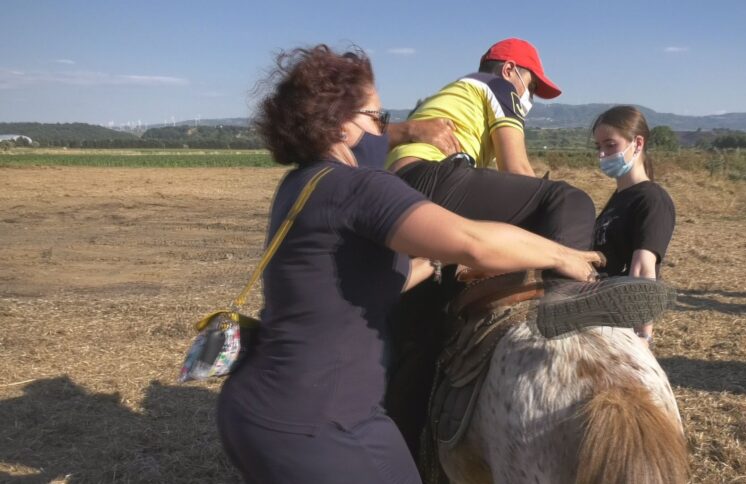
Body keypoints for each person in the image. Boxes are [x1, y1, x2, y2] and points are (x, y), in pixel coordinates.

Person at [216, 45, 611, 484]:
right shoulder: (359, 187)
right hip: (318, 422)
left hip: (265, 409)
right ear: (340, 122)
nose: (387, 131)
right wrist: (563, 255)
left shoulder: (300, 186)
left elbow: (370, 279)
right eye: (378, 119)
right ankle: (571, 315)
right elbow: (473, 241)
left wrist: (436, 267)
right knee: (566, 198)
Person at [383, 37, 596, 252]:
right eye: (531, 86)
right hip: (431, 177)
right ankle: (563, 282)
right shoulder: (497, 85)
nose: (530, 97)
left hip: (393, 191)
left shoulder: (451, 95)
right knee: (569, 201)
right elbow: (516, 169)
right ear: (509, 69)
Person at [591, 106, 676, 348]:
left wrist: (642, 337)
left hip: (619, 326)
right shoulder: (619, 197)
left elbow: (642, 271)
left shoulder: (652, 199)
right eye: (598, 147)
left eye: (610, 145)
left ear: (637, 144)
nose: (602, 155)